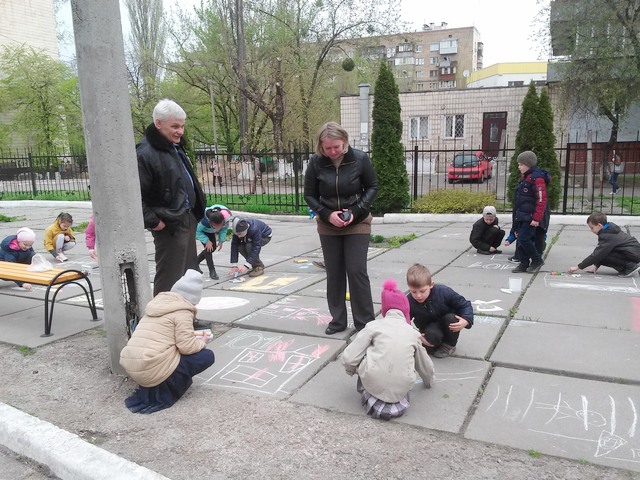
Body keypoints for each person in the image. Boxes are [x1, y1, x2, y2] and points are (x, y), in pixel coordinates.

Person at [304, 121, 378, 335]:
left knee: (356, 270)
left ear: (344, 141)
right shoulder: (316, 162)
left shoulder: (360, 159)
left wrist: (356, 210)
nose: (333, 152)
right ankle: (338, 321)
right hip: (328, 225)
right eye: (327, 148)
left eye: (336, 146)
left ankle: (365, 323)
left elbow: (372, 186)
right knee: (334, 273)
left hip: (358, 222)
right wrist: (327, 214)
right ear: (321, 146)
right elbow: (309, 195)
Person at [119, 269, 215, 414]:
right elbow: (187, 347)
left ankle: (157, 381)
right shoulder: (183, 312)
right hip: (151, 368)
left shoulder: (156, 305)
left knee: (173, 349)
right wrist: (202, 341)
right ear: (193, 299)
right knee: (206, 356)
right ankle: (168, 387)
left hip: (133, 365)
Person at [137, 99, 206, 296]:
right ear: (158, 123)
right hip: (169, 224)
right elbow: (135, 195)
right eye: (175, 126)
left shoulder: (172, 147)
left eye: (182, 126)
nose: (180, 131)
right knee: (171, 276)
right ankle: (164, 314)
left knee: (188, 276)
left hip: (186, 218)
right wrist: (154, 221)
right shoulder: (145, 153)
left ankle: (183, 313)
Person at [341, 279, 435, 421]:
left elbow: (349, 358)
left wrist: (352, 370)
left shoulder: (373, 326)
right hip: (401, 388)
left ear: (385, 310)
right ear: (406, 311)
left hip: (372, 382)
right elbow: (425, 365)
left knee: (364, 350)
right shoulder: (413, 333)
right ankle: (393, 397)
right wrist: (429, 381)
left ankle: (371, 394)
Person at [406, 263, 473, 358]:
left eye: (422, 291)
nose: (418, 295)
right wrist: (418, 336)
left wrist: (466, 320)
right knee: (432, 339)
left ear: (431, 285)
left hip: (447, 322)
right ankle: (434, 344)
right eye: (413, 292)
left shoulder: (443, 292)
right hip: (429, 328)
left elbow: (465, 305)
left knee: (452, 318)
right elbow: (403, 322)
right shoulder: (409, 301)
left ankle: (449, 345)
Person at [511, 150, 550, 274]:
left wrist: (536, 218)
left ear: (529, 164)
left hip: (530, 216)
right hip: (522, 214)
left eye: (521, 164)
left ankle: (537, 260)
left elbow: (541, 200)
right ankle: (524, 263)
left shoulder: (537, 178)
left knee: (524, 239)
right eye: (519, 164)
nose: (519, 167)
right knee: (521, 240)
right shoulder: (525, 177)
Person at [568, 212, 640, 277]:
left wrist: (578, 267)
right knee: (602, 252)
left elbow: (598, 254)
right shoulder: (608, 229)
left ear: (599, 225)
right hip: (633, 253)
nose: (591, 230)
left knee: (601, 254)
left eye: (592, 228)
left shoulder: (607, 236)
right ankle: (628, 265)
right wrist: (596, 266)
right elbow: (600, 251)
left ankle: (630, 266)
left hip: (633, 254)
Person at [196, 204, 234, 280]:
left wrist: (221, 240)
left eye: (219, 226)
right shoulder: (204, 221)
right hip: (203, 231)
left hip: (211, 230)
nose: (217, 230)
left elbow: (224, 229)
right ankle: (212, 271)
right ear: (210, 223)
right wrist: (206, 241)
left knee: (213, 247)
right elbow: (197, 231)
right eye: (215, 227)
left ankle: (194, 263)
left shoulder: (226, 219)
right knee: (208, 248)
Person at [0, 227, 37, 291]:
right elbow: (12, 268)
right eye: (25, 245)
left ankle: (26, 276)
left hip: (16, 261)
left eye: (30, 245)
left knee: (33, 256)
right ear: (18, 241)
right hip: (4, 267)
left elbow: (33, 255)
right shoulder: (10, 251)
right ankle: (21, 279)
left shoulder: (26, 244)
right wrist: (22, 283)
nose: (28, 247)